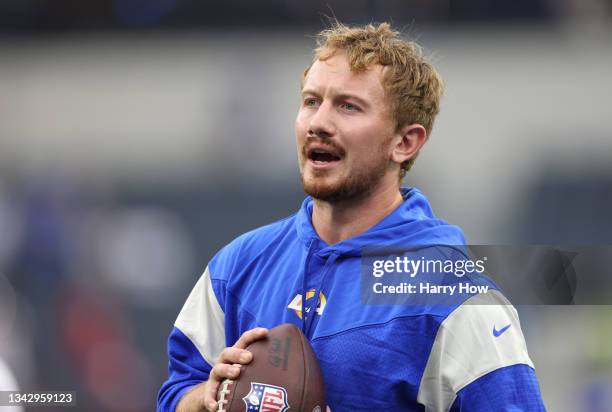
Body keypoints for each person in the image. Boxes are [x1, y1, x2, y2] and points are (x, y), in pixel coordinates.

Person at [158, 22, 546, 411]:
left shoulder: (452, 294)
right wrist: (206, 400)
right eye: (311, 101)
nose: (318, 123)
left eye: (348, 106)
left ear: (404, 142)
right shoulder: (238, 266)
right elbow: (176, 391)